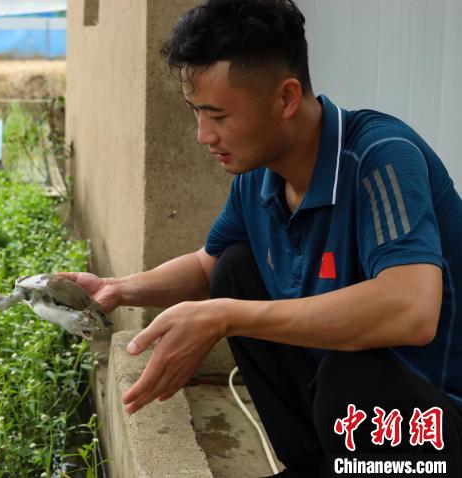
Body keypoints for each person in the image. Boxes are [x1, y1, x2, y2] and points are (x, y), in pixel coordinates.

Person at [60, 0, 462, 475]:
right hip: (354, 413)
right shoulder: (259, 179)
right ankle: (310, 464)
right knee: (234, 269)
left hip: (435, 420)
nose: (202, 135)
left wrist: (227, 317)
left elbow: (412, 311)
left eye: (218, 116)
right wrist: (120, 287)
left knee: (348, 376)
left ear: (286, 99)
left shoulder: (381, 158)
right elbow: (207, 267)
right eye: (196, 113)